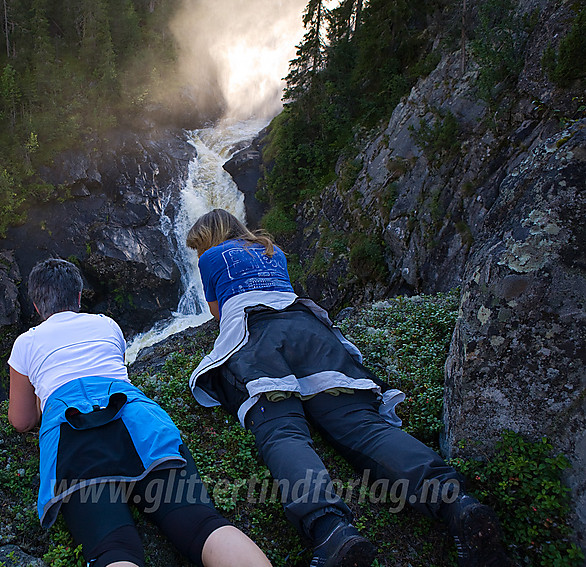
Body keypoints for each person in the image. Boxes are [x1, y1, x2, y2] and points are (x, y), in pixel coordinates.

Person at [185, 209, 508, 567]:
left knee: (283, 432)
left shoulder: (213, 258)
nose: (201, 252)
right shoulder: (273, 250)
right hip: (311, 331)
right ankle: (457, 503)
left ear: (209, 238)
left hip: (258, 340)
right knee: (363, 426)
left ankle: (331, 531)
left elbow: (217, 313)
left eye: (199, 246)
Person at [7, 257, 272, 567]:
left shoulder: (26, 342)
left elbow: (21, 420)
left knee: (114, 549)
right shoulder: (106, 324)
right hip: (136, 420)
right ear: (79, 298)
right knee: (201, 525)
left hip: (74, 437)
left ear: (37, 307)